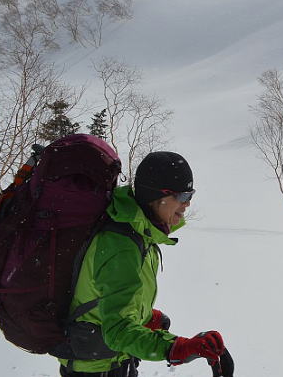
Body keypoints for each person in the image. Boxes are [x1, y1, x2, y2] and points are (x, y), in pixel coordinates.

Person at [59, 151, 232, 377]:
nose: (188, 203)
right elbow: (118, 331)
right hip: (95, 369)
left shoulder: (139, 232)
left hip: (113, 359)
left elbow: (108, 299)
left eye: (191, 194)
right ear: (157, 196)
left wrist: (146, 317)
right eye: (182, 195)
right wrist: (177, 347)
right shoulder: (121, 246)